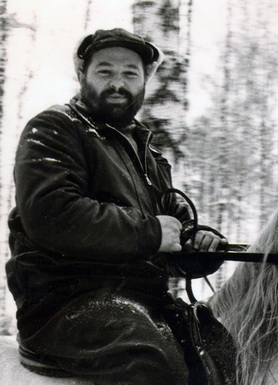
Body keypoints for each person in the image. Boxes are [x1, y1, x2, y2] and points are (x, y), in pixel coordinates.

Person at [5, 28, 231, 384]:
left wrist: (198, 244)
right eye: (105, 71)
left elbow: (172, 227)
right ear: (83, 76)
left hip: (142, 300)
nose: (118, 84)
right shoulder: (55, 128)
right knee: (149, 360)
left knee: (218, 347)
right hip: (64, 303)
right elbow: (53, 215)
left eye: (130, 74)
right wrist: (152, 231)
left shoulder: (148, 154)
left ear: (144, 82)